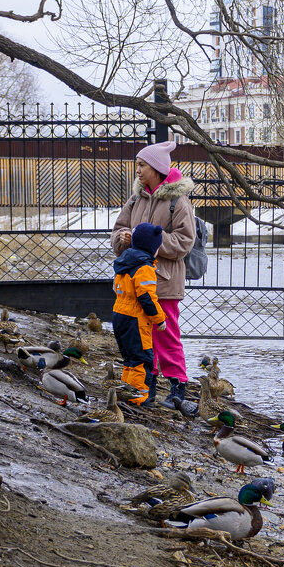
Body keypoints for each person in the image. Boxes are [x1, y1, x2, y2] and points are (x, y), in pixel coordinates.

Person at [111, 140, 197, 414]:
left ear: (157, 168)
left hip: (165, 282)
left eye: (141, 165)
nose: (137, 170)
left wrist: (145, 241)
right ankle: (146, 387)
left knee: (167, 335)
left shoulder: (177, 201)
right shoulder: (136, 198)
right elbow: (118, 230)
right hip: (137, 282)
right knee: (141, 337)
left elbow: (185, 241)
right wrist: (123, 239)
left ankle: (177, 389)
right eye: (137, 164)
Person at [111, 223, 168, 405]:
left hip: (119, 315)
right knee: (141, 361)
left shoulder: (125, 262)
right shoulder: (144, 268)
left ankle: (125, 393)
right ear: (152, 248)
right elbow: (147, 298)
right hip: (135, 320)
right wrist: (160, 319)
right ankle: (138, 399)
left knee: (129, 359)